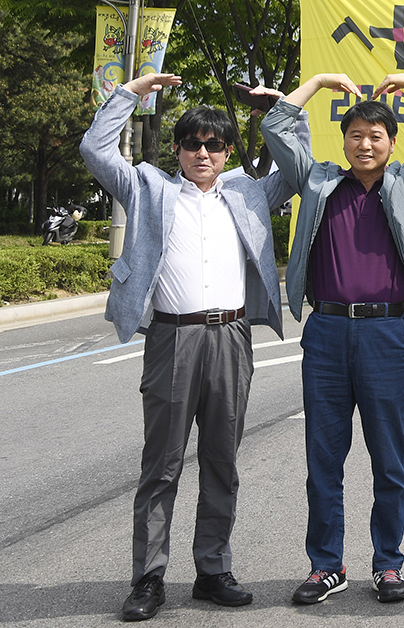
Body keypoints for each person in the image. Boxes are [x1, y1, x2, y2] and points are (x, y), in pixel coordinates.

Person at [80, 73, 302, 622]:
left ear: (227, 152)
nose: (204, 153)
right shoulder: (149, 187)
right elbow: (94, 148)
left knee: (222, 461)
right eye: (193, 144)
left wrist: (279, 111)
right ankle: (149, 578)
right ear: (178, 149)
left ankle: (212, 570)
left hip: (231, 336)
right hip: (171, 338)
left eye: (215, 145)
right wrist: (131, 93)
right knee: (162, 464)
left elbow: (298, 171)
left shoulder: (249, 191)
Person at [262, 72, 404, 606]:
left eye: (376, 136)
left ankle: (388, 564)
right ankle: (326, 565)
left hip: (388, 331)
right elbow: (277, 126)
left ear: (392, 143)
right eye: (356, 135)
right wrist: (321, 82)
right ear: (343, 141)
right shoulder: (319, 180)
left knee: (388, 456)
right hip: (325, 331)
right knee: (323, 455)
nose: (365, 144)